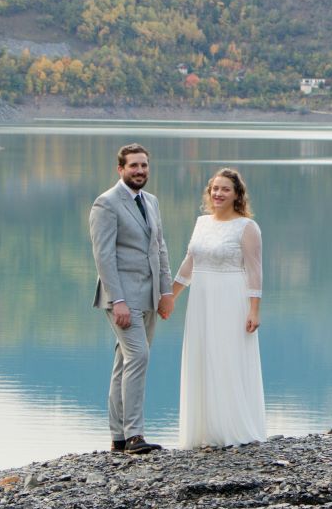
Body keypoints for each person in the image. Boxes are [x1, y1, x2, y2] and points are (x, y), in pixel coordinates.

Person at [169, 167, 267, 449]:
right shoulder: (201, 222)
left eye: (225, 189)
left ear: (237, 194)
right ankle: (205, 431)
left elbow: (255, 271)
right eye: (215, 188)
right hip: (201, 298)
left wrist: (254, 309)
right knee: (202, 356)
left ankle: (231, 429)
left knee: (227, 358)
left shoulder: (247, 227)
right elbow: (190, 263)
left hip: (231, 297)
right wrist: (171, 297)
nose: (219, 193)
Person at [89, 143, 174, 454]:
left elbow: (160, 248)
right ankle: (135, 434)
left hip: (150, 295)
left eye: (144, 166)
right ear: (120, 169)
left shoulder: (150, 201)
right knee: (138, 357)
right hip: (122, 298)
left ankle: (119, 437)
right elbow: (104, 256)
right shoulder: (106, 203)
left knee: (124, 361)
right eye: (133, 166)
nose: (140, 171)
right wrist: (118, 300)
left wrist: (166, 291)